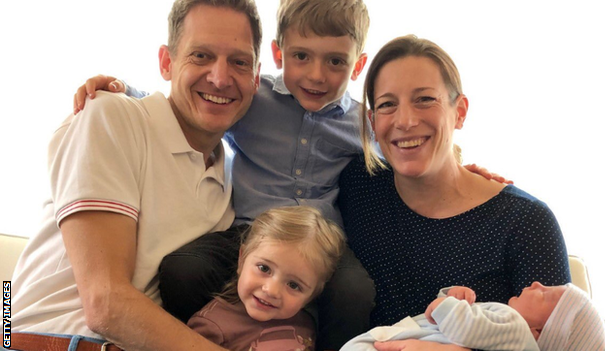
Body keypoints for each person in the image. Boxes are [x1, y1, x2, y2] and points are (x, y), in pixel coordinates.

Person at [72, 1, 377, 348]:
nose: (316, 75)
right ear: (279, 54)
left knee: (355, 292)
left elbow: (401, 150)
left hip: (322, 243)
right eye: (302, 57)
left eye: (336, 61)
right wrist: (124, 89)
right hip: (249, 234)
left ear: (358, 65)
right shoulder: (252, 98)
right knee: (183, 270)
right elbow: (181, 107)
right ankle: (215, 332)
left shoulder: (363, 124)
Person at [8, 1, 262, 350]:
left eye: (239, 62)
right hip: (50, 339)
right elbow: (105, 303)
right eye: (200, 56)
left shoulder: (232, 176)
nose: (220, 78)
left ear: (257, 78)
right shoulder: (110, 116)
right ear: (166, 63)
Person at [337, 34, 572, 350]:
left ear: (459, 112)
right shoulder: (358, 184)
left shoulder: (525, 222)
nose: (405, 120)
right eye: (387, 104)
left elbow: (564, 343)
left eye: (424, 99)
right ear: (373, 122)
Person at [187, 205, 345, 351]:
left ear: (312, 295)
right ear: (242, 260)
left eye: (293, 285)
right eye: (264, 268)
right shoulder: (212, 326)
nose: (271, 290)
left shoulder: (308, 322)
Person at [341, 283, 605, 351]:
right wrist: (453, 297)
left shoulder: (516, 328)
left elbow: (458, 323)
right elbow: (456, 328)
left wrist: (447, 303)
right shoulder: (504, 330)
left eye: (546, 295)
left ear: (539, 332)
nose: (536, 284)